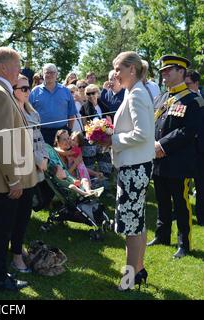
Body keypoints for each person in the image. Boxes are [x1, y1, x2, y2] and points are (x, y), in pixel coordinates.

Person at [0, 47, 38, 291]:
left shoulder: (0, 90)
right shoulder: (0, 92)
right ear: (4, 67)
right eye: (18, 64)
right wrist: (13, 180)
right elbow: (0, 140)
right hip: (4, 178)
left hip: (3, 175)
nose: (20, 69)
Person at [103, 51, 155, 290]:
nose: (115, 73)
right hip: (136, 165)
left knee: (131, 227)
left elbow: (142, 134)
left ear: (131, 70)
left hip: (135, 167)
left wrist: (112, 139)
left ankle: (128, 279)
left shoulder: (135, 94)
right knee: (138, 221)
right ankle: (139, 269)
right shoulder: (132, 91)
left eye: (118, 68)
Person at [147, 55, 202, 259]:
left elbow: (190, 130)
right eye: (162, 71)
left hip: (179, 160)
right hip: (158, 159)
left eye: (169, 70)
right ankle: (162, 236)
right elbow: (153, 125)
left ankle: (184, 243)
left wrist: (162, 144)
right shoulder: (160, 98)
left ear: (181, 72)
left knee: (181, 203)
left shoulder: (193, 99)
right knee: (162, 200)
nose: (164, 73)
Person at [10, 74, 48, 273]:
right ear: (13, 90)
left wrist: (45, 159)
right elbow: (20, 144)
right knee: (16, 215)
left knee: (24, 214)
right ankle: (16, 255)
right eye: (22, 88)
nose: (27, 91)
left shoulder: (31, 111)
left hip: (35, 169)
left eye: (28, 87)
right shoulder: (13, 112)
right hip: (20, 169)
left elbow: (39, 138)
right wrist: (38, 159)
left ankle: (17, 248)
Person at [29, 63, 76, 145]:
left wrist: (69, 130)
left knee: (63, 157)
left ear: (57, 74)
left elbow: (71, 114)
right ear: (43, 74)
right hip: (42, 133)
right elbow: (29, 113)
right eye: (47, 72)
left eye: (53, 72)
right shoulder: (34, 91)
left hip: (62, 133)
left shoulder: (65, 91)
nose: (50, 75)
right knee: (45, 157)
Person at [80, 84, 113, 180]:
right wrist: (94, 130)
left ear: (98, 93)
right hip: (90, 140)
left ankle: (106, 186)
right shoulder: (84, 108)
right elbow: (85, 125)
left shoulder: (103, 105)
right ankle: (92, 187)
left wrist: (105, 129)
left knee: (105, 163)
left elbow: (109, 121)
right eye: (88, 93)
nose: (90, 96)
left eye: (93, 93)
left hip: (105, 138)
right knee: (89, 164)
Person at [185, 70, 204, 226]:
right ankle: (179, 213)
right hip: (185, 150)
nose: (186, 87)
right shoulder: (182, 100)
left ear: (196, 83)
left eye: (188, 84)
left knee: (201, 184)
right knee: (181, 186)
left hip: (200, 150)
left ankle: (201, 215)